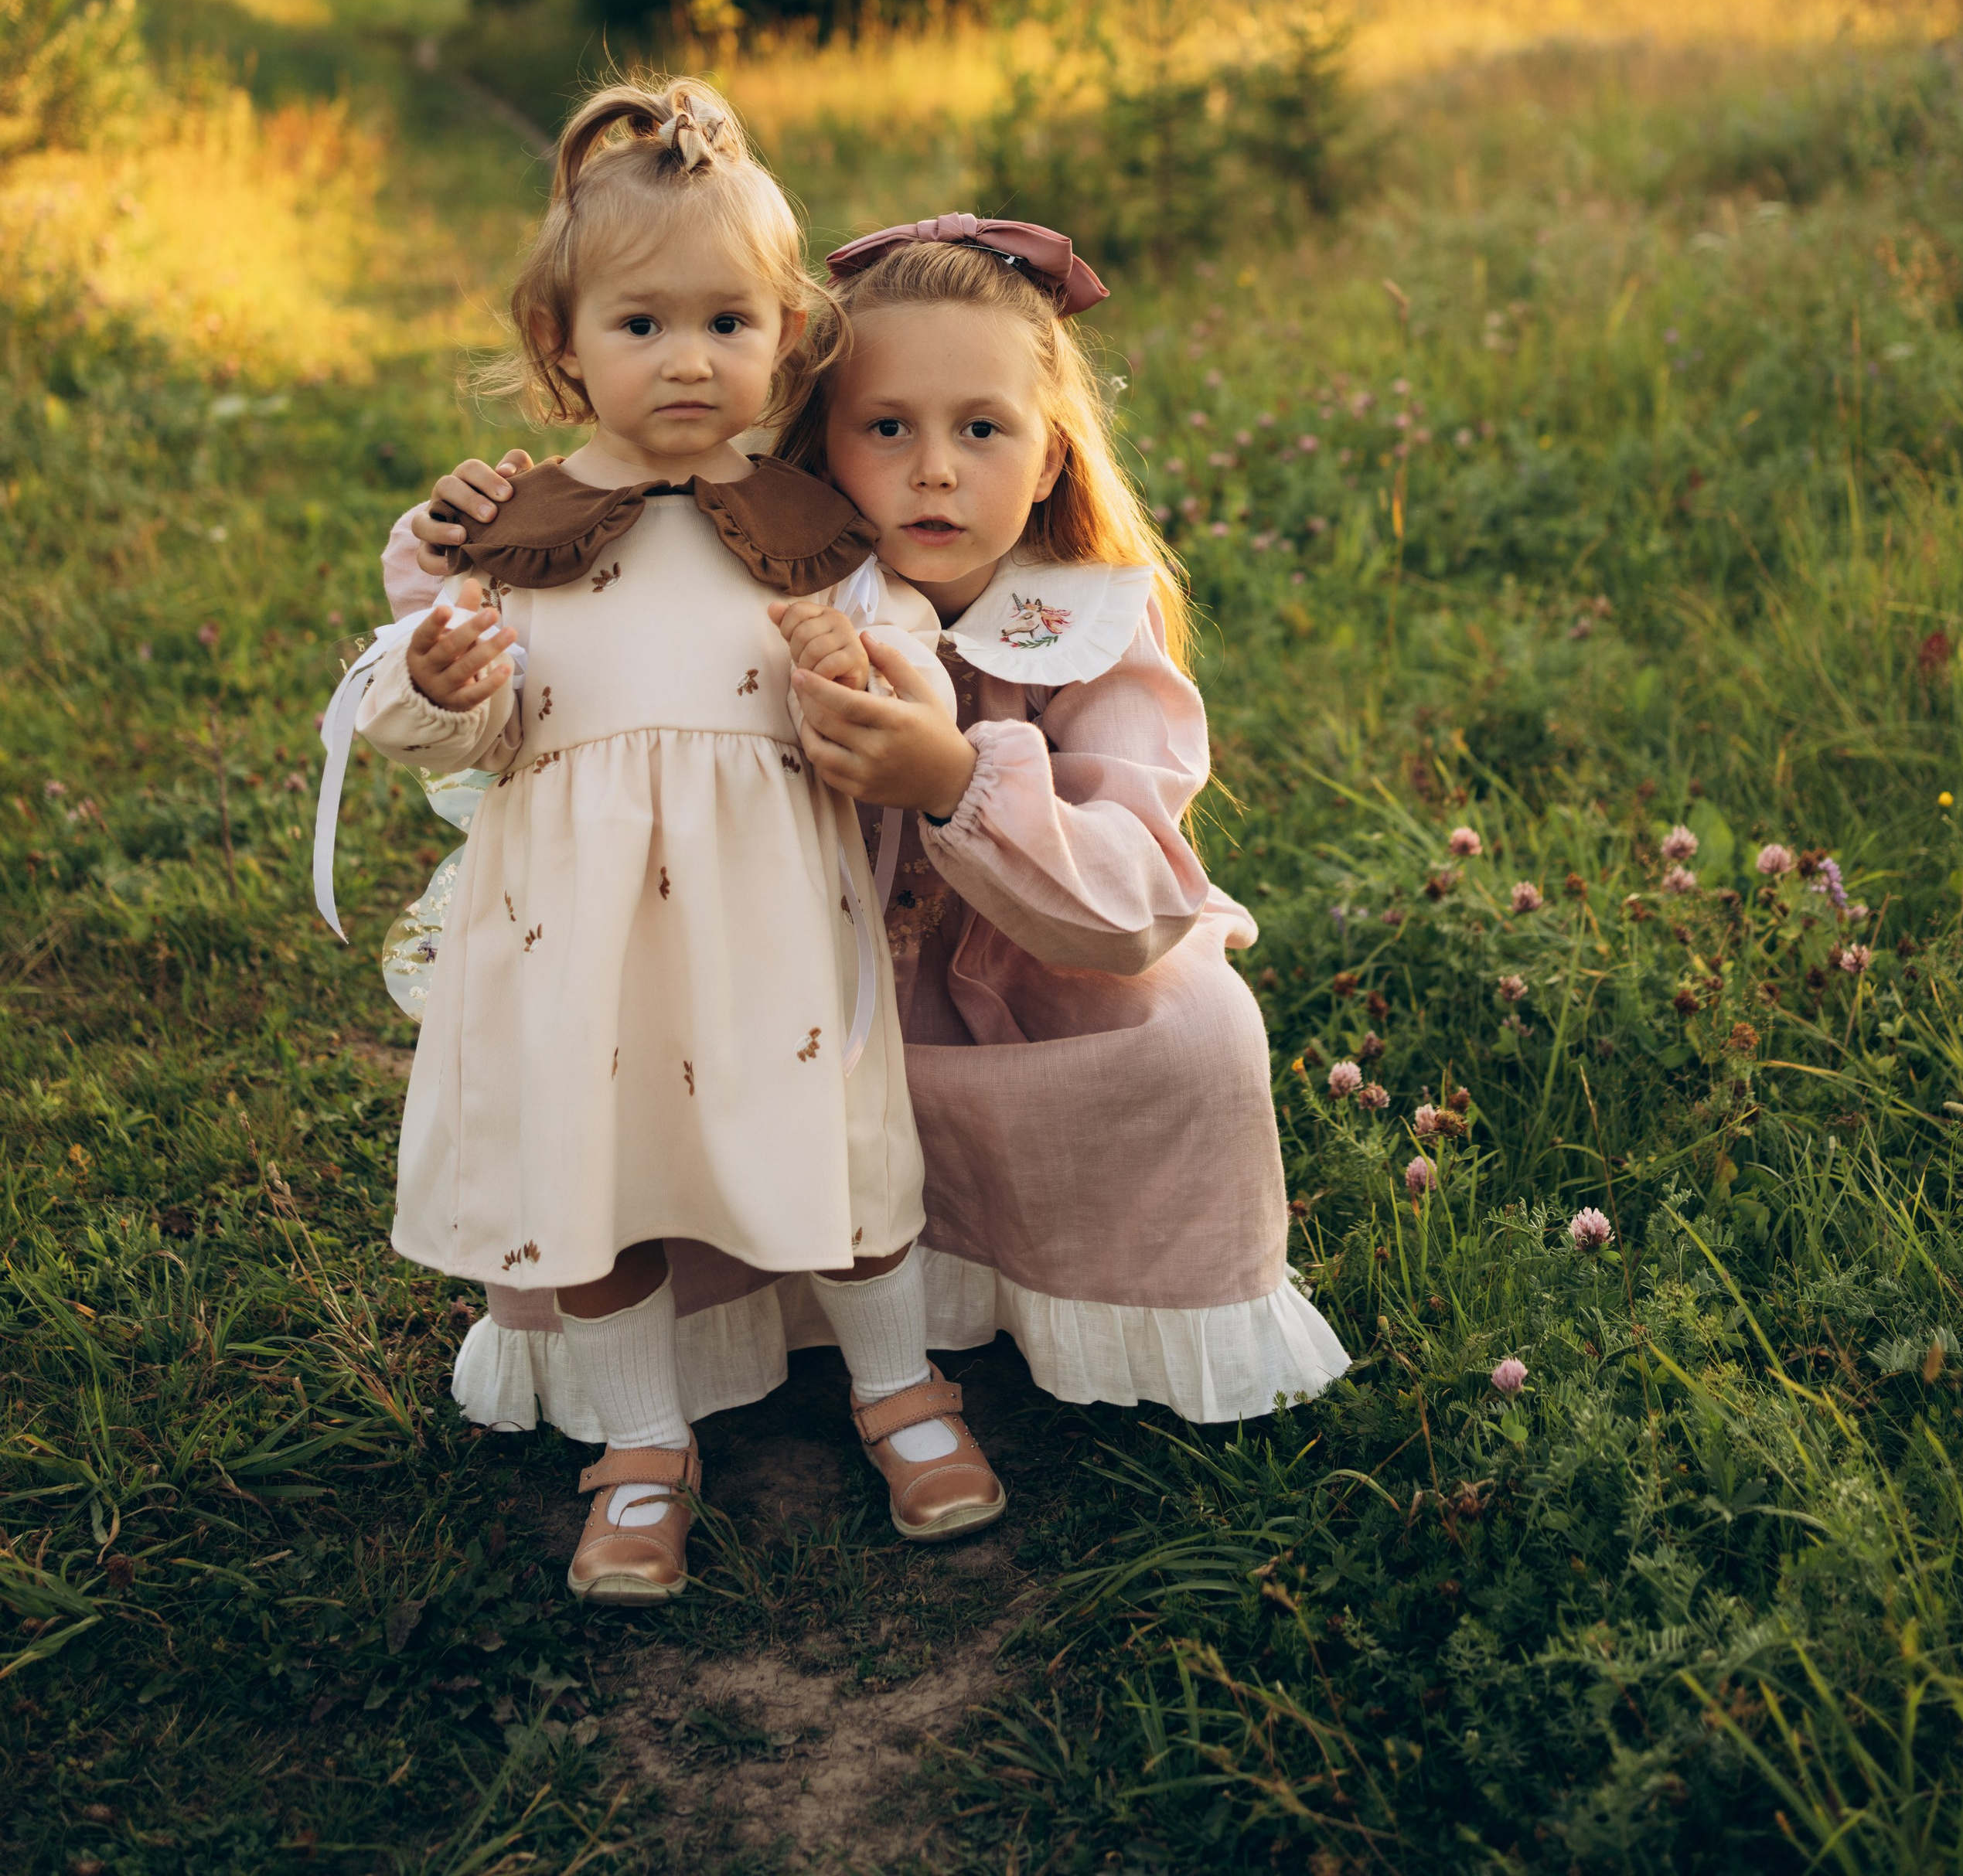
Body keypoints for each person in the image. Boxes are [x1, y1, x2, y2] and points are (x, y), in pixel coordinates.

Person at [397, 211, 1348, 1432]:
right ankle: (700, 1360)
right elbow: (581, 586)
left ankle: (1037, 1290)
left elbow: (1140, 899)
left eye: (983, 430)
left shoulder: (1090, 630)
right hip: (786, 1006)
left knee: (1198, 1041)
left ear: (1052, 457)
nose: (935, 469)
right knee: (633, 1077)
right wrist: (461, 533)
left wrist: (956, 780)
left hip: (1023, 1013)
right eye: (887, 427)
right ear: (818, 447)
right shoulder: (754, 576)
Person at [351, 87, 1006, 1608]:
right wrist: (443, 688)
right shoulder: (508, 535)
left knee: (837, 1160)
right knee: (592, 1174)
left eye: (727, 322)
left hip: (770, 927)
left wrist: (852, 677)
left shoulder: (808, 531)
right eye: (640, 325)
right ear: (560, 344)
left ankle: (899, 1389)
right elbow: (446, 721)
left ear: (787, 339)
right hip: (574, 939)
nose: (687, 360)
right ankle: (639, 1442)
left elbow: (913, 673)